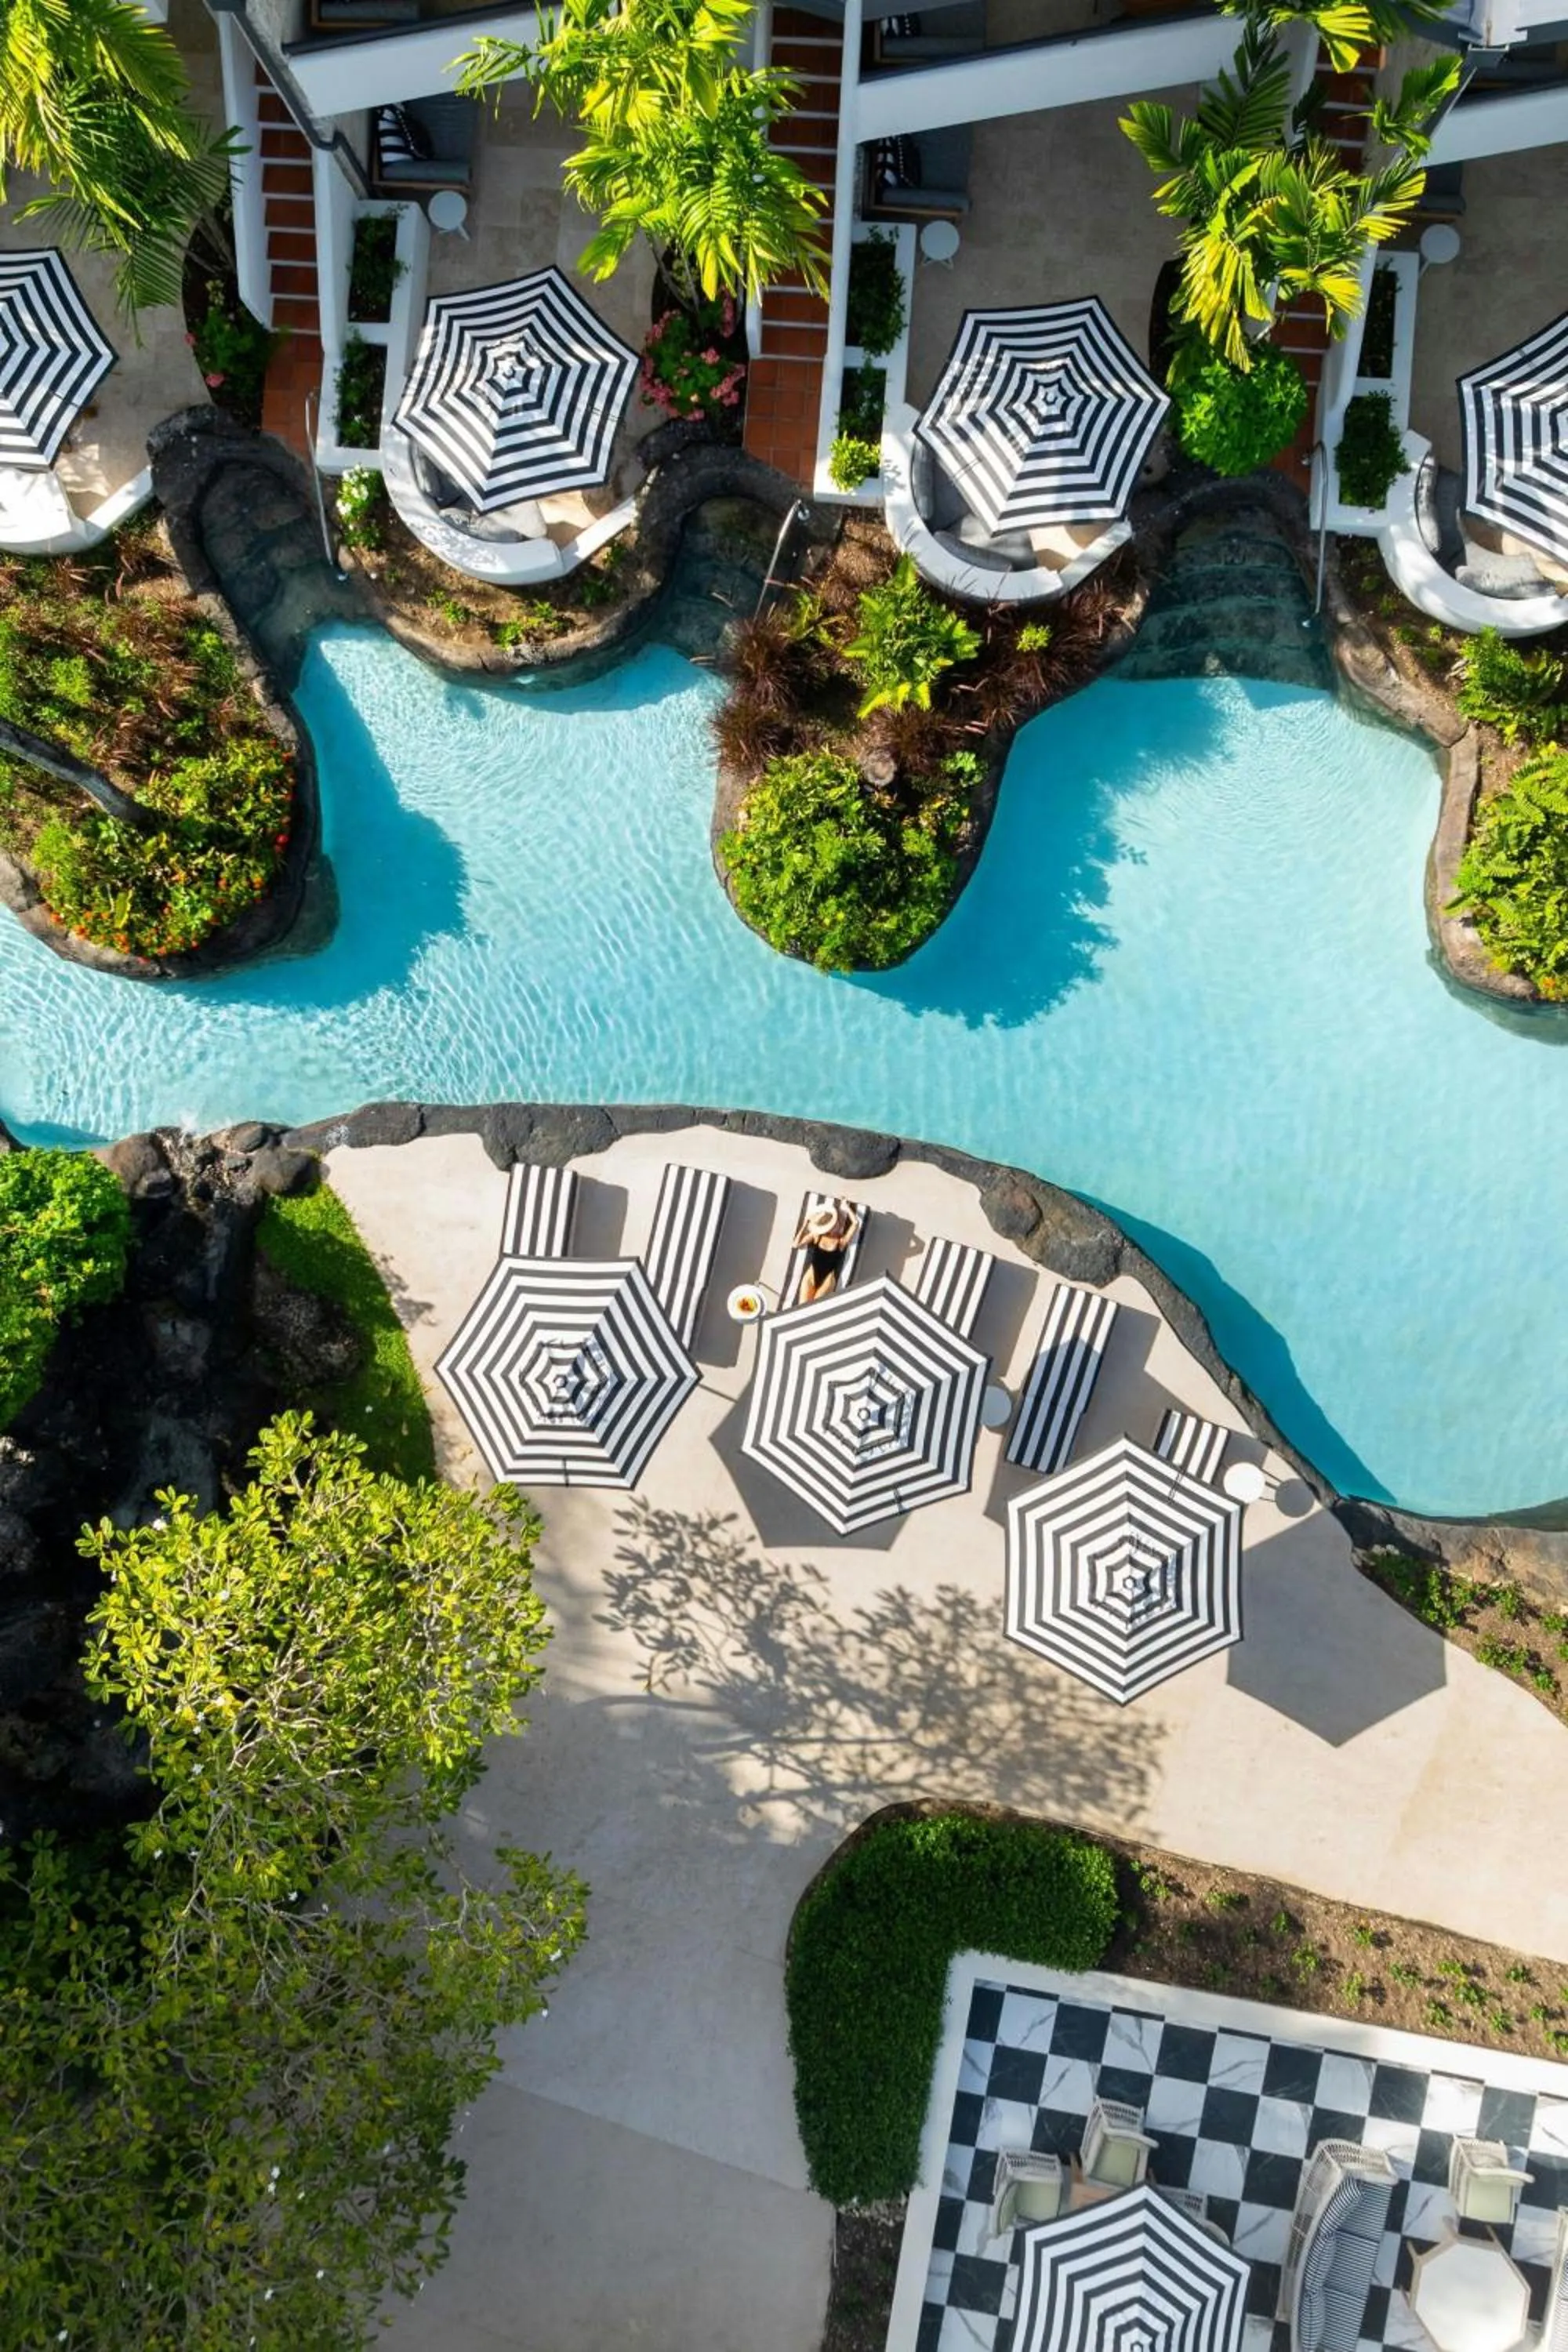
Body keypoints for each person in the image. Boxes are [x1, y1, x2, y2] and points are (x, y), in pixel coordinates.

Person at [793, 1200, 862, 1304]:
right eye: (835, 1224)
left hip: (828, 1279)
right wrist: (805, 1224)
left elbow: (855, 1223)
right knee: (801, 1307)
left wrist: (847, 1208)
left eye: (837, 1223)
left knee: (813, 1307)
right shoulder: (817, 1236)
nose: (838, 1225)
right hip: (811, 1276)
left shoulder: (841, 1241)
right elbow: (796, 1245)